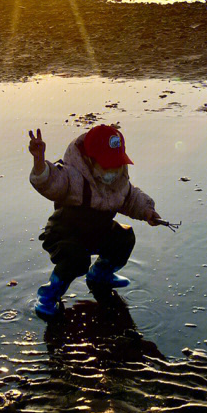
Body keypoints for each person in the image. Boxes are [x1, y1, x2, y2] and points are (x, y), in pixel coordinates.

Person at [27, 125, 164, 319]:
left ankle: (100, 273)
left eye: (117, 164)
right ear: (90, 160)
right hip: (66, 232)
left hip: (99, 231)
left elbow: (131, 198)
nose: (114, 171)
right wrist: (39, 160)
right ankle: (49, 295)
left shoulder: (117, 180)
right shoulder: (73, 177)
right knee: (76, 261)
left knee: (124, 237)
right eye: (108, 165)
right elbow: (50, 182)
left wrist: (147, 211)